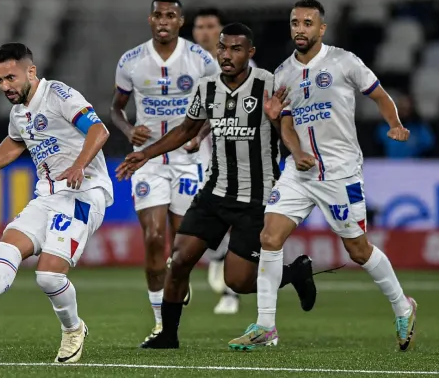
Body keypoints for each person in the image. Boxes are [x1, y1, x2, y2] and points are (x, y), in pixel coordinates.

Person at [228, 0, 418, 352]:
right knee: (269, 236)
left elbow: (379, 95)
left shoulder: (344, 61)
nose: (300, 28)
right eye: (295, 22)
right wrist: (294, 148)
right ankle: (266, 326)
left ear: (321, 29)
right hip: (299, 172)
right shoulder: (283, 72)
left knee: (358, 250)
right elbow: (285, 122)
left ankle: (403, 306)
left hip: (340, 172)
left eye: (307, 23)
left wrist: (395, 124)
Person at [116, 23, 317, 350]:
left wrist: (284, 128)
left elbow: (290, 128)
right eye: (223, 48)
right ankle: (168, 334)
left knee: (236, 281)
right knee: (179, 259)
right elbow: (185, 130)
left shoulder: (269, 84)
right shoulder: (206, 86)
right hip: (214, 192)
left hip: (256, 197)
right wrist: (145, 154)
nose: (226, 55)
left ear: (249, 53)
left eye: (235, 49)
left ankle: (294, 273)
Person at [0, 43, 112, 364]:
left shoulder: (59, 95)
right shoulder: (19, 112)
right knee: (7, 248)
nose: (5, 87)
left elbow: (99, 129)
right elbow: (15, 142)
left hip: (84, 192)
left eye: (10, 78)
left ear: (31, 71)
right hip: (48, 194)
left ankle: (73, 329)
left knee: (49, 277)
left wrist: (80, 164)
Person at [110, 0, 220, 345]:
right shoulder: (131, 61)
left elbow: (217, 108)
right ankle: (160, 321)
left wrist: (198, 135)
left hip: (188, 161)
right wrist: (129, 131)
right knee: (154, 238)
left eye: (170, 16)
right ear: (150, 20)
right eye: (158, 15)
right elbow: (115, 109)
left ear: (180, 22)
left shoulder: (201, 60)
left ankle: (176, 284)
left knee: (182, 249)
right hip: (147, 161)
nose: (163, 21)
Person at [192, 7, 257, 315]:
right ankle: (215, 264)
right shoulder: (185, 63)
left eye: (211, 27)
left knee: (233, 222)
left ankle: (231, 290)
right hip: (194, 158)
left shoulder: (242, 64)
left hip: (236, 156)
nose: (205, 32)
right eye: (200, 26)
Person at [376, 93, 434, 158]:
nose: (404, 113)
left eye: (407, 109)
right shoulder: (384, 128)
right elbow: (378, 148)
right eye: (402, 108)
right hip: (390, 166)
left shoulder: (420, 128)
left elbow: (429, 146)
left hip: (415, 166)